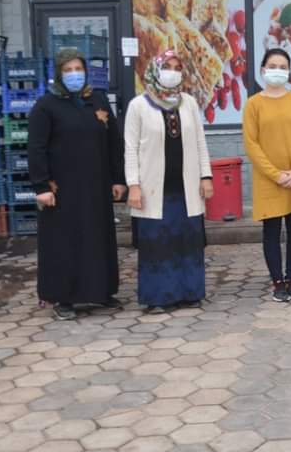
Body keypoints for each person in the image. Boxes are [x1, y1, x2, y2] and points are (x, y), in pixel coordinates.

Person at [28, 48, 127, 320]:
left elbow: (114, 142)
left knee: (97, 239)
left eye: (78, 69)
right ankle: (64, 298)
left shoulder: (97, 100)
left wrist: (118, 178)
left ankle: (101, 291)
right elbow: (36, 148)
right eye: (68, 70)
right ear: (59, 73)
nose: (74, 74)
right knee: (64, 243)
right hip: (62, 191)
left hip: (96, 186)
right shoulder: (46, 106)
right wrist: (42, 187)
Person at [124, 50, 214, 312]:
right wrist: (134, 184)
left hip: (186, 187)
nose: (173, 72)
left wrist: (205, 175)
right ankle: (158, 297)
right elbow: (130, 148)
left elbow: (200, 142)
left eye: (177, 67)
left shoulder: (188, 103)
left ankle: (189, 293)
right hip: (154, 189)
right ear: (155, 69)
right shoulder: (138, 105)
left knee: (188, 241)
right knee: (157, 245)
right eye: (167, 66)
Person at [243, 48, 291, 302]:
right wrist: (275, 175)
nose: (277, 70)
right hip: (269, 180)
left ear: (289, 71)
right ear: (263, 70)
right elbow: (252, 144)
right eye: (272, 65)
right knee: (271, 232)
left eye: (283, 66)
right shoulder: (253, 104)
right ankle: (277, 282)